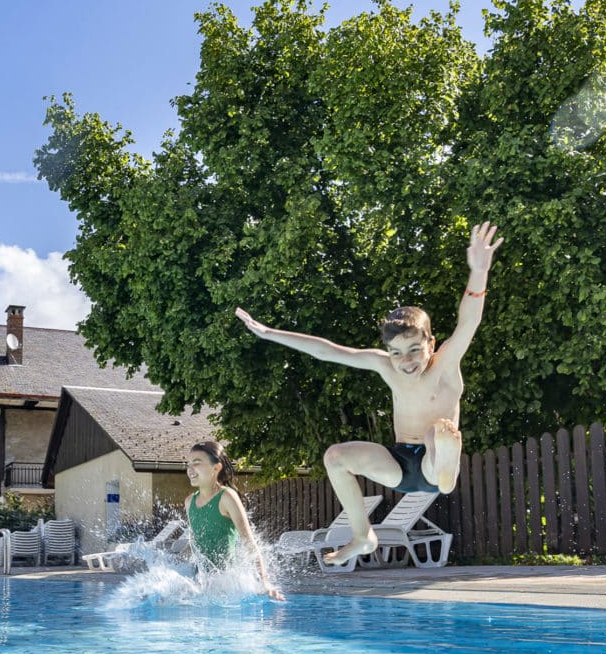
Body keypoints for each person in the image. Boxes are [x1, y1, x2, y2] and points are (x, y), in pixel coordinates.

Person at [235, 221, 502, 566]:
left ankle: (444, 471)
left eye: (414, 350)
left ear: (430, 344)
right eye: (396, 352)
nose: (404, 361)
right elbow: (329, 351)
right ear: (387, 351)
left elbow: (469, 321)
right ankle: (363, 536)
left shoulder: (446, 362)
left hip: (431, 460)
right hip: (400, 463)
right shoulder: (385, 366)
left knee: (439, 431)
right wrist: (270, 332)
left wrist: (479, 272)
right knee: (335, 457)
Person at [184, 440, 283, 600]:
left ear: (216, 468)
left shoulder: (226, 497)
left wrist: (264, 584)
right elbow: (194, 541)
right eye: (188, 464)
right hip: (200, 584)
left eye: (197, 463)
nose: (190, 469)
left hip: (226, 585)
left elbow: (249, 542)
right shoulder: (189, 502)